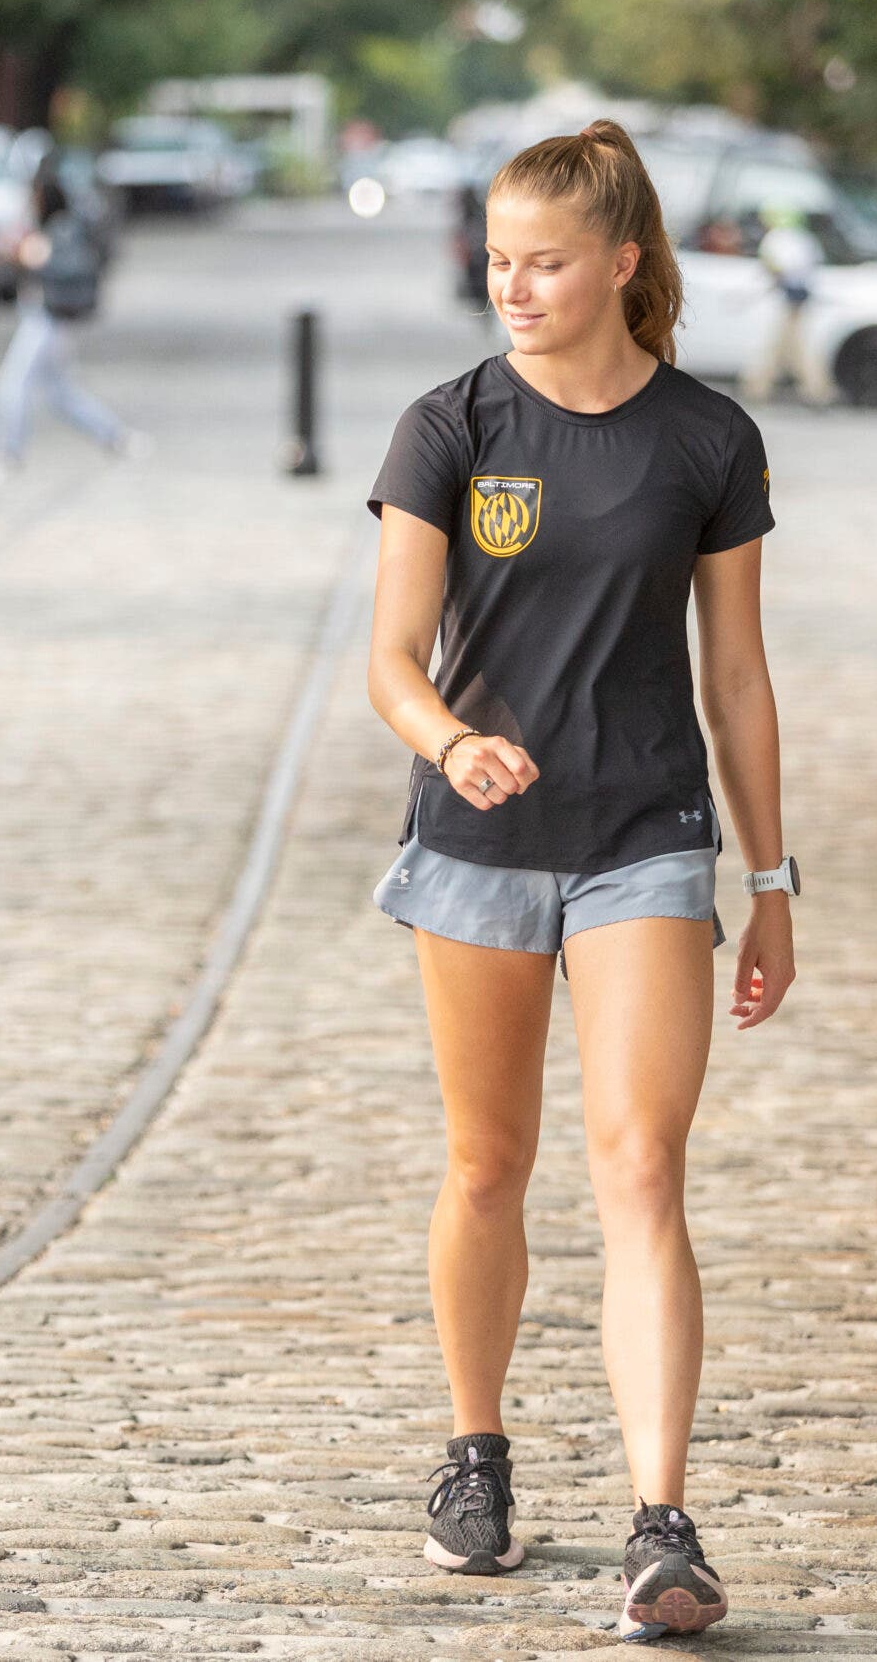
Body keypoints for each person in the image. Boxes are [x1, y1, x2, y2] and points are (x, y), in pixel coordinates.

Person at [364, 118, 798, 1642]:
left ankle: (662, 1521)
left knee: (641, 1166)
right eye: (496, 262)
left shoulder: (706, 437)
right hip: (475, 847)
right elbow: (390, 659)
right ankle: (473, 1448)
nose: (515, 287)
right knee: (488, 1161)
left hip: (647, 838)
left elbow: (736, 678)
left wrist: (775, 878)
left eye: (544, 262)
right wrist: (449, 738)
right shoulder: (450, 424)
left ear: (622, 262)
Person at [0, 164, 142, 482]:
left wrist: (13, 251)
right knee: (61, 393)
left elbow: (39, 258)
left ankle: (7, 455)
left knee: (13, 384)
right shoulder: (56, 226)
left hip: (46, 320)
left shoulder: (58, 229)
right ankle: (116, 436)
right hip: (49, 320)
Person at [740, 203, 833, 406]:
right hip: (801, 298)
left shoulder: (776, 239)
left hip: (790, 299)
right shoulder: (805, 238)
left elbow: (778, 267)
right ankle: (813, 390)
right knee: (788, 345)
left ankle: (759, 388)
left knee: (784, 345)